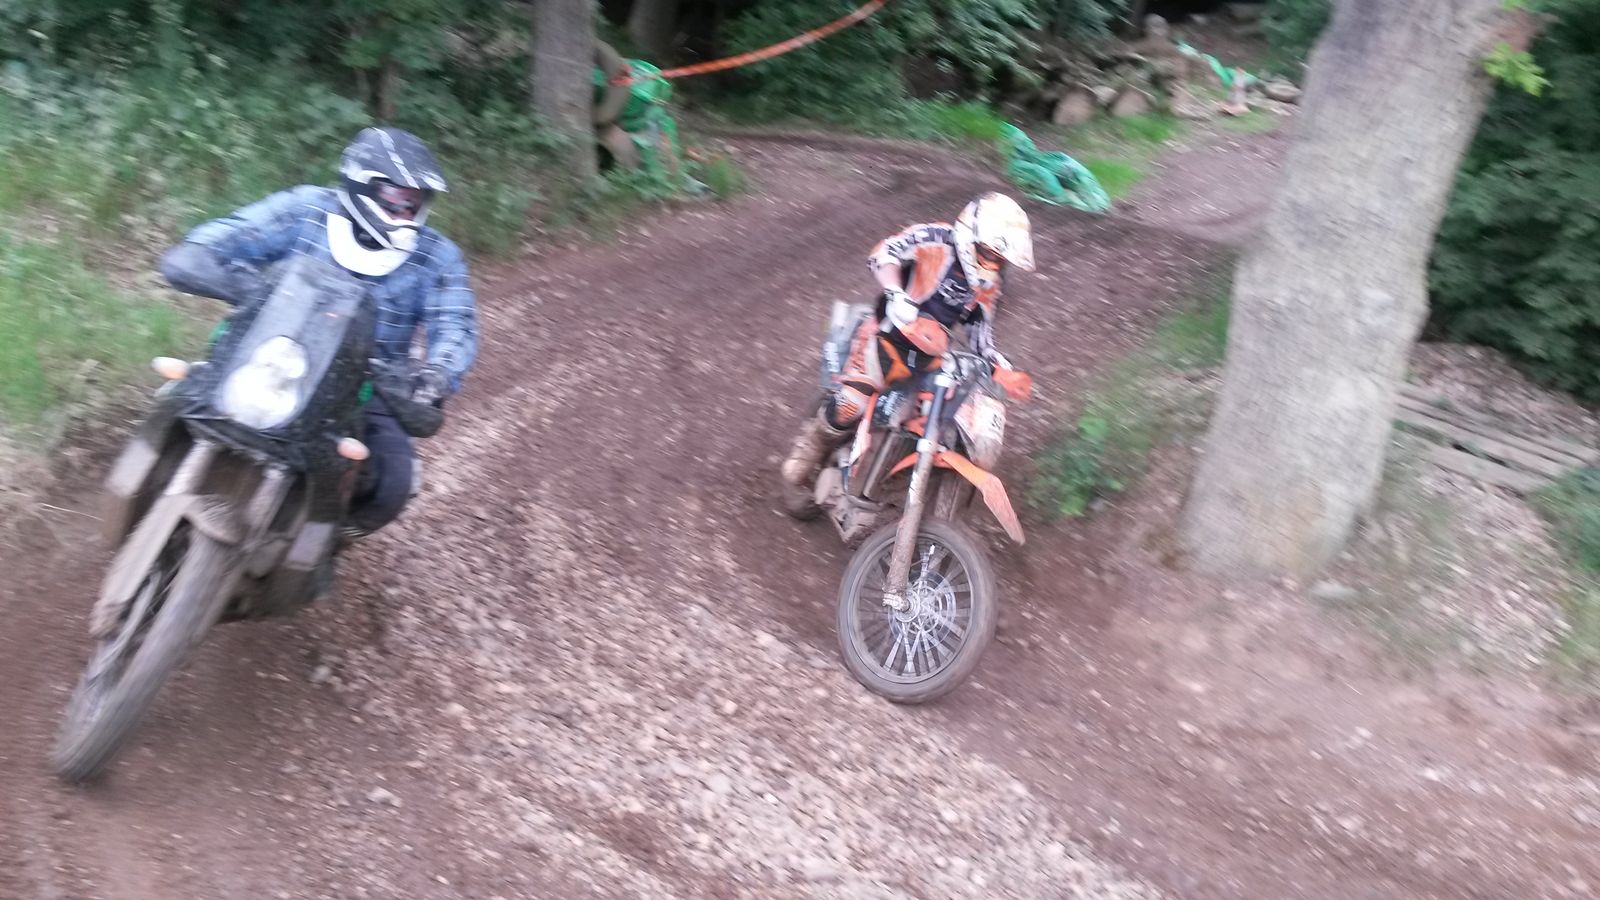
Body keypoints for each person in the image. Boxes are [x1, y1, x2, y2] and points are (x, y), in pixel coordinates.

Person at [158, 126, 479, 538]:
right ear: (360, 182)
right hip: (264, 348)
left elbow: (454, 323)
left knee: (392, 485)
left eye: (413, 203)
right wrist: (204, 259)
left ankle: (327, 539)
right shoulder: (305, 208)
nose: (405, 211)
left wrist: (437, 373)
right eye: (396, 198)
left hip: (368, 380)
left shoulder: (438, 257)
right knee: (174, 401)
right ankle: (151, 474)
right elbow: (232, 234)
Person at [780, 191, 1036, 515]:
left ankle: (896, 487)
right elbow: (884, 252)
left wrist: (999, 365)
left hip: (929, 357)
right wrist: (896, 293)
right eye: (988, 253)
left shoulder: (989, 285)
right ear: (971, 235)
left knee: (941, 419)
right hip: (886, 338)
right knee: (850, 405)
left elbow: (979, 332)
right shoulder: (935, 238)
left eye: (1000, 259)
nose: (992, 263)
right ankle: (805, 458)